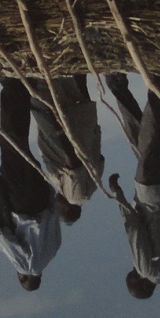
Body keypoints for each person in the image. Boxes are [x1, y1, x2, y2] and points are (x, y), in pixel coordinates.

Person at [106, 72, 160, 298]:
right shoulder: (147, 268)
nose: (132, 271)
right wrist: (118, 195)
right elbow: (134, 228)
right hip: (154, 193)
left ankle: (118, 86)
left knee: (143, 147)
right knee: (151, 143)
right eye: (132, 278)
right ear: (143, 284)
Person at [0, 78, 62, 290]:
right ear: (22, 278)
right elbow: (5, 238)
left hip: (41, 194)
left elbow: (54, 212)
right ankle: (13, 86)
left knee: (19, 144)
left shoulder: (53, 250)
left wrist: (49, 187)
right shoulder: (26, 265)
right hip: (22, 201)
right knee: (10, 141)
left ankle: (21, 89)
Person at [28, 75, 103, 223]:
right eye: (59, 209)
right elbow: (73, 163)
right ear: (66, 208)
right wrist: (59, 130)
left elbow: (97, 158)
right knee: (41, 91)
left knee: (70, 83)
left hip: (81, 125)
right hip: (64, 128)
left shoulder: (93, 186)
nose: (56, 205)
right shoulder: (75, 196)